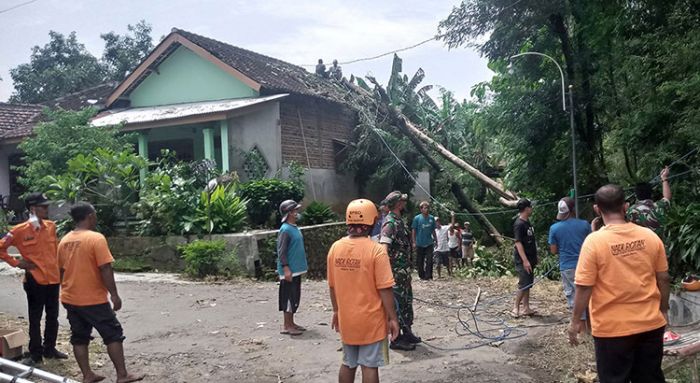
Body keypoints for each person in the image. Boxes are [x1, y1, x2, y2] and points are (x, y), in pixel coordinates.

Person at [569, 184, 670, 383]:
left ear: (597, 209)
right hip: (650, 325)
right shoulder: (650, 237)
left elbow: (584, 286)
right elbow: (664, 278)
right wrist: (663, 309)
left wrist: (575, 321)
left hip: (612, 330)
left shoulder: (594, 242)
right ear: (626, 207)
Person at [58, 202, 143, 383]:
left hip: (70, 296)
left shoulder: (64, 240)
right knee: (113, 334)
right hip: (92, 298)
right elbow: (105, 268)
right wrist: (114, 294)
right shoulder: (96, 238)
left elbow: (61, 270)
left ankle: (87, 375)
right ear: (90, 216)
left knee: (79, 337)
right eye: (94, 215)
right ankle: (122, 375)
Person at [327, 199, 399, 383]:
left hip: (347, 320)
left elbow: (333, 286)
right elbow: (385, 289)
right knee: (369, 366)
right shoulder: (376, 251)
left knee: (348, 363)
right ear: (373, 222)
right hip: (371, 322)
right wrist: (393, 318)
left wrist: (336, 311)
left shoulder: (335, 248)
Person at [0, 192, 67, 366]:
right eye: (42, 206)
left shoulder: (51, 226)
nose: (47, 209)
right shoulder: (19, 230)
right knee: (35, 318)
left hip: (53, 279)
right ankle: (36, 353)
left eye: (46, 206)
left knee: (53, 315)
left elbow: (56, 250)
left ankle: (49, 348)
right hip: (35, 280)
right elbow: (1, 248)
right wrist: (16, 263)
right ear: (32, 209)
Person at [379, 191, 419, 351]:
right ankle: (396, 339)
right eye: (402, 200)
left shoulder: (398, 220)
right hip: (395, 272)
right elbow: (383, 248)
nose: (404, 202)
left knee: (406, 302)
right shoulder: (390, 223)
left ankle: (407, 332)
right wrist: (386, 271)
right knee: (397, 305)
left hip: (403, 272)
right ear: (398, 204)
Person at [548, 197, 591, 315]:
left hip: (567, 266)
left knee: (573, 296)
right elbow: (592, 243)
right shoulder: (585, 225)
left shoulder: (554, 228)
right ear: (573, 209)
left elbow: (553, 250)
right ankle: (590, 324)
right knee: (588, 294)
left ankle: (581, 327)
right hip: (586, 264)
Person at [277, 199, 308, 336]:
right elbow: (281, 251)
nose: (297, 213)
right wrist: (286, 268)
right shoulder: (285, 230)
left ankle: (291, 323)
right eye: (295, 211)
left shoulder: (293, 228)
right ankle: (286, 325)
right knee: (288, 297)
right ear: (289, 213)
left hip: (296, 269)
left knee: (294, 297)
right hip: (289, 270)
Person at [627, 166, 671, 240]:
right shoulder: (658, 206)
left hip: (641, 247)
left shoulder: (630, 211)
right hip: (660, 245)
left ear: (636, 196)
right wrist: (664, 178)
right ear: (651, 194)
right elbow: (667, 197)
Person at [513, 198, 537, 318]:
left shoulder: (527, 222)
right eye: (530, 207)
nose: (532, 209)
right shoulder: (519, 224)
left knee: (528, 283)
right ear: (526, 209)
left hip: (530, 258)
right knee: (524, 284)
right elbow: (518, 243)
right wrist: (525, 261)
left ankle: (526, 307)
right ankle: (515, 307)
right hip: (523, 260)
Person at [411, 201, 438, 280]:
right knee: (420, 260)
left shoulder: (431, 218)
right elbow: (414, 230)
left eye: (428, 208)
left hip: (429, 242)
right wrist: (414, 241)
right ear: (421, 209)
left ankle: (428, 275)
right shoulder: (417, 218)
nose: (427, 209)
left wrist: (436, 239)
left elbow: (433, 230)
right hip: (419, 242)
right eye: (425, 208)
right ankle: (421, 275)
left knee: (430, 260)